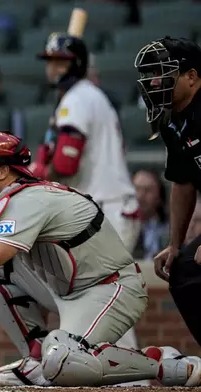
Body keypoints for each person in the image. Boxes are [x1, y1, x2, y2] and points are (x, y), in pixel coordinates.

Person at [0, 131, 201, 387]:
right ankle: (35, 358)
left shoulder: (27, 199)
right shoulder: (12, 199)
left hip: (110, 288)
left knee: (63, 362)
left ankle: (164, 364)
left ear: (4, 171)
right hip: (66, 287)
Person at [29, 32, 144, 375]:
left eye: (60, 61)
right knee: (103, 300)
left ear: (76, 63)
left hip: (108, 207)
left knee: (106, 300)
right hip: (104, 208)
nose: (53, 68)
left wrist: (40, 172)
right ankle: (123, 374)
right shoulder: (80, 97)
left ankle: (128, 377)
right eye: (50, 61)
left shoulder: (77, 99)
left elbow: (66, 166)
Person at [135, 37, 201, 347]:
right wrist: (175, 244)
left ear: (192, 77)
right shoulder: (173, 120)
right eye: (150, 75)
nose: (155, 82)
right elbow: (183, 181)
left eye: (164, 73)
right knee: (183, 270)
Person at [132, 169, 168, 260]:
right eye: (136, 189)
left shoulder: (170, 229)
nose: (140, 196)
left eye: (147, 190)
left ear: (159, 196)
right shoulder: (118, 228)